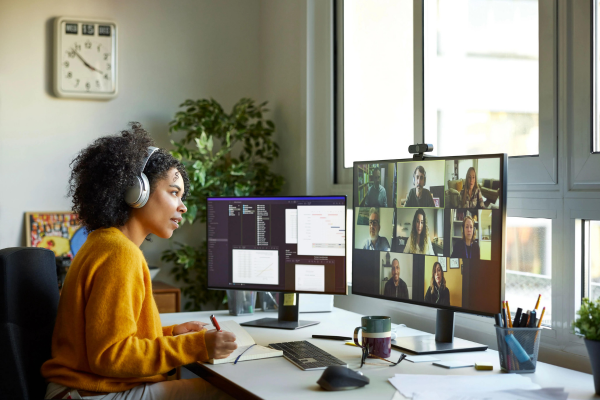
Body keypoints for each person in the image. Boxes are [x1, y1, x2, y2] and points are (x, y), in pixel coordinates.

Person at [42, 124, 236, 400]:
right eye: (173, 192)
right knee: (229, 394)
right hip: (88, 393)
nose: (183, 206)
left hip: (79, 390)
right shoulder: (120, 254)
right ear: (137, 191)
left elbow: (109, 338)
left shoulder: (103, 242)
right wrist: (195, 346)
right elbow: (111, 355)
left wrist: (170, 334)